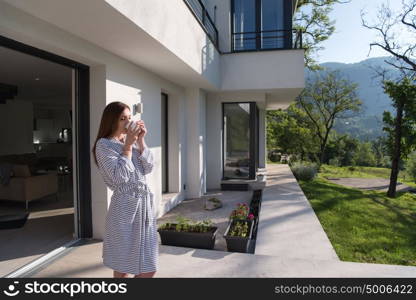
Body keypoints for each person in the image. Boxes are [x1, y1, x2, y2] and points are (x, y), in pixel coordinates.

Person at [92, 101, 158, 278]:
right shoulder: (103, 145)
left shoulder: (133, 142)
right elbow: (119, 177)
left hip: (144, 207)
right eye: (123, 118)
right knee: (122, 264)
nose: (128, 122)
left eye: (129, 118)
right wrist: (128, 146)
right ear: (111, 121)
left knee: (148, 267)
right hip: (125, 208)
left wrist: (141, 140)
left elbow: (149, 167)